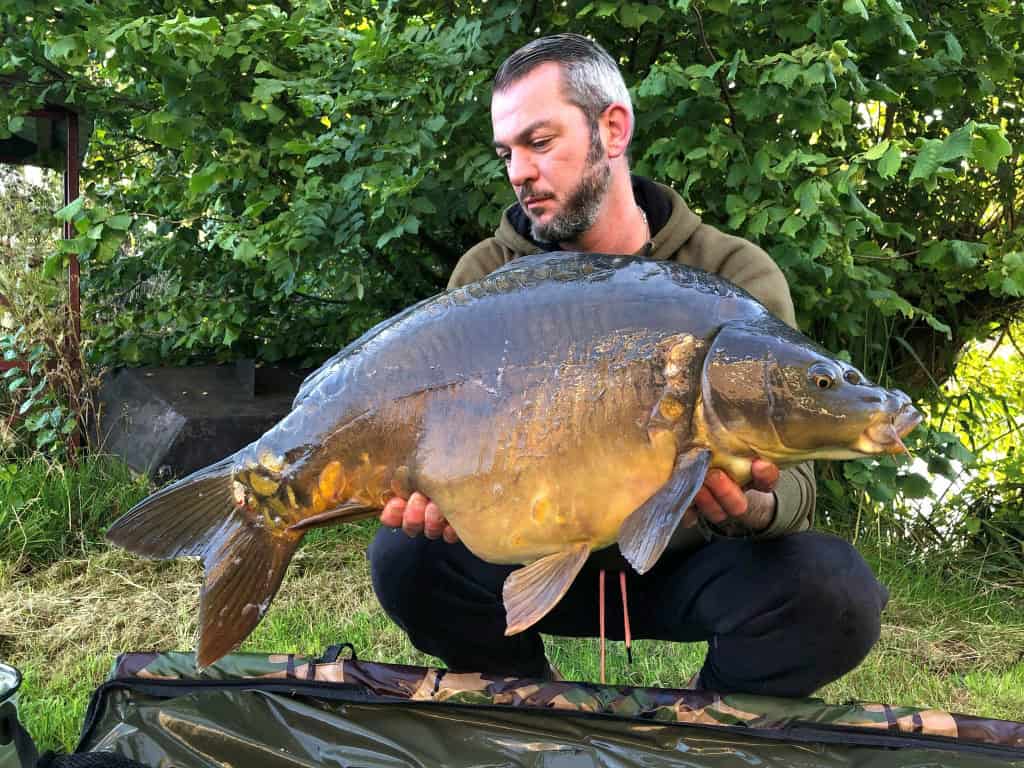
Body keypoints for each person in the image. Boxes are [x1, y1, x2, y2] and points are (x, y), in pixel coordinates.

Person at [367, 33, 888, 697]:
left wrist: (754, 505)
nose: (519, 172)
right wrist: (442, 499)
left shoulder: (731, 275)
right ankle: (524, 700)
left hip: (687, 568)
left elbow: (800, 488)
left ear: (612, 129)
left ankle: (706, 725)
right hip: (533, 556)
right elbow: (449, 442)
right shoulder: (488, 278)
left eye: (540, 141)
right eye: (507, 153)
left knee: (834, 591)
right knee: (405, 556)